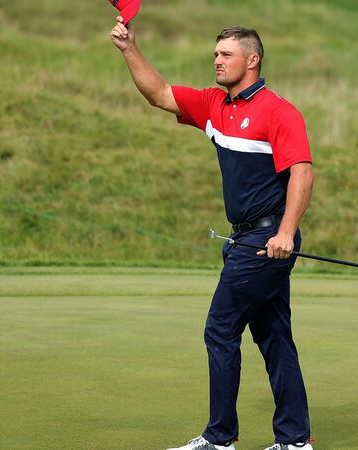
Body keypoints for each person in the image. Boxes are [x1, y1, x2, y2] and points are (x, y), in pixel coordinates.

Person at [110, 16, 315, 450]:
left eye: (226, 55)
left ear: (252, 60)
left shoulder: (279, 111)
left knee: (220, 329)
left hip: (266, 241)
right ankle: (295, 441)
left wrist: (285, 232)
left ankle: (220, 438)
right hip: (245, 239)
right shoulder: (214, 105)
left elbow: (302, 172)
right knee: (274, 335)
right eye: (215, 54)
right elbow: (158, 93)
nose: (217, 61)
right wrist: (129, 48)